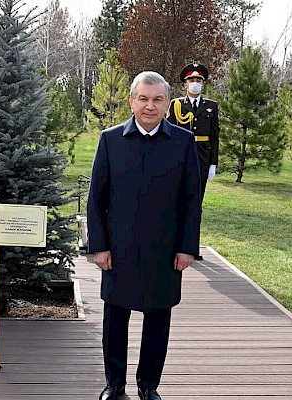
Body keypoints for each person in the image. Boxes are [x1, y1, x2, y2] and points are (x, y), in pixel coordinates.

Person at [87, 71, 201, 400]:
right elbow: (96, 199)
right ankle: (114, 383)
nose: (150, 106)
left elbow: (192, 201)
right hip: (118, 249)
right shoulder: (110, 140)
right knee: (115, 318)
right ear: (132, 101)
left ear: (167, 103)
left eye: (157, 100)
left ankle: (148, 385)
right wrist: (99, 247)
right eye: (143, 98)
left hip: (164, 250)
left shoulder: (183, 142)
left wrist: (187, 248)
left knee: (157, 320)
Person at [166, 63, 219, 260]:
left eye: (198, 80)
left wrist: (213, 163)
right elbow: (169, 133)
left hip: (202, 158)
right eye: (191, 80)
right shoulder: (176, 105)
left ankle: (191, 247)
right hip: (179, 158)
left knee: (196, 203)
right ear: (185, 85)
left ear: (203, 84)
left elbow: (215, 136)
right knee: (176, 202)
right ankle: (174, 244)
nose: (195, 83)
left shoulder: (211, 106)